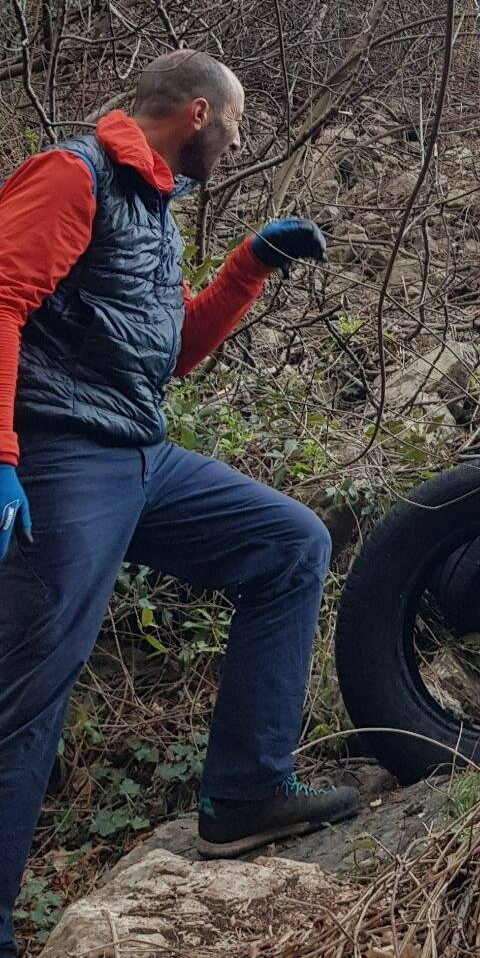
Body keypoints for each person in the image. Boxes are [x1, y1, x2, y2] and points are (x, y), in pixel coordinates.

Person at [0, 50, 359, 957]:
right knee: (29, 690)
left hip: (140, 451)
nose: (236, 144)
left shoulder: (152, 208)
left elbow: (173, 357)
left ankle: (244, 793)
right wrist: (1, 455)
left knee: (291, 544)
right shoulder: (75, 174)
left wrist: (248, 266)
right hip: (59, 454)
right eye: (234, 126)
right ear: (199, 113)